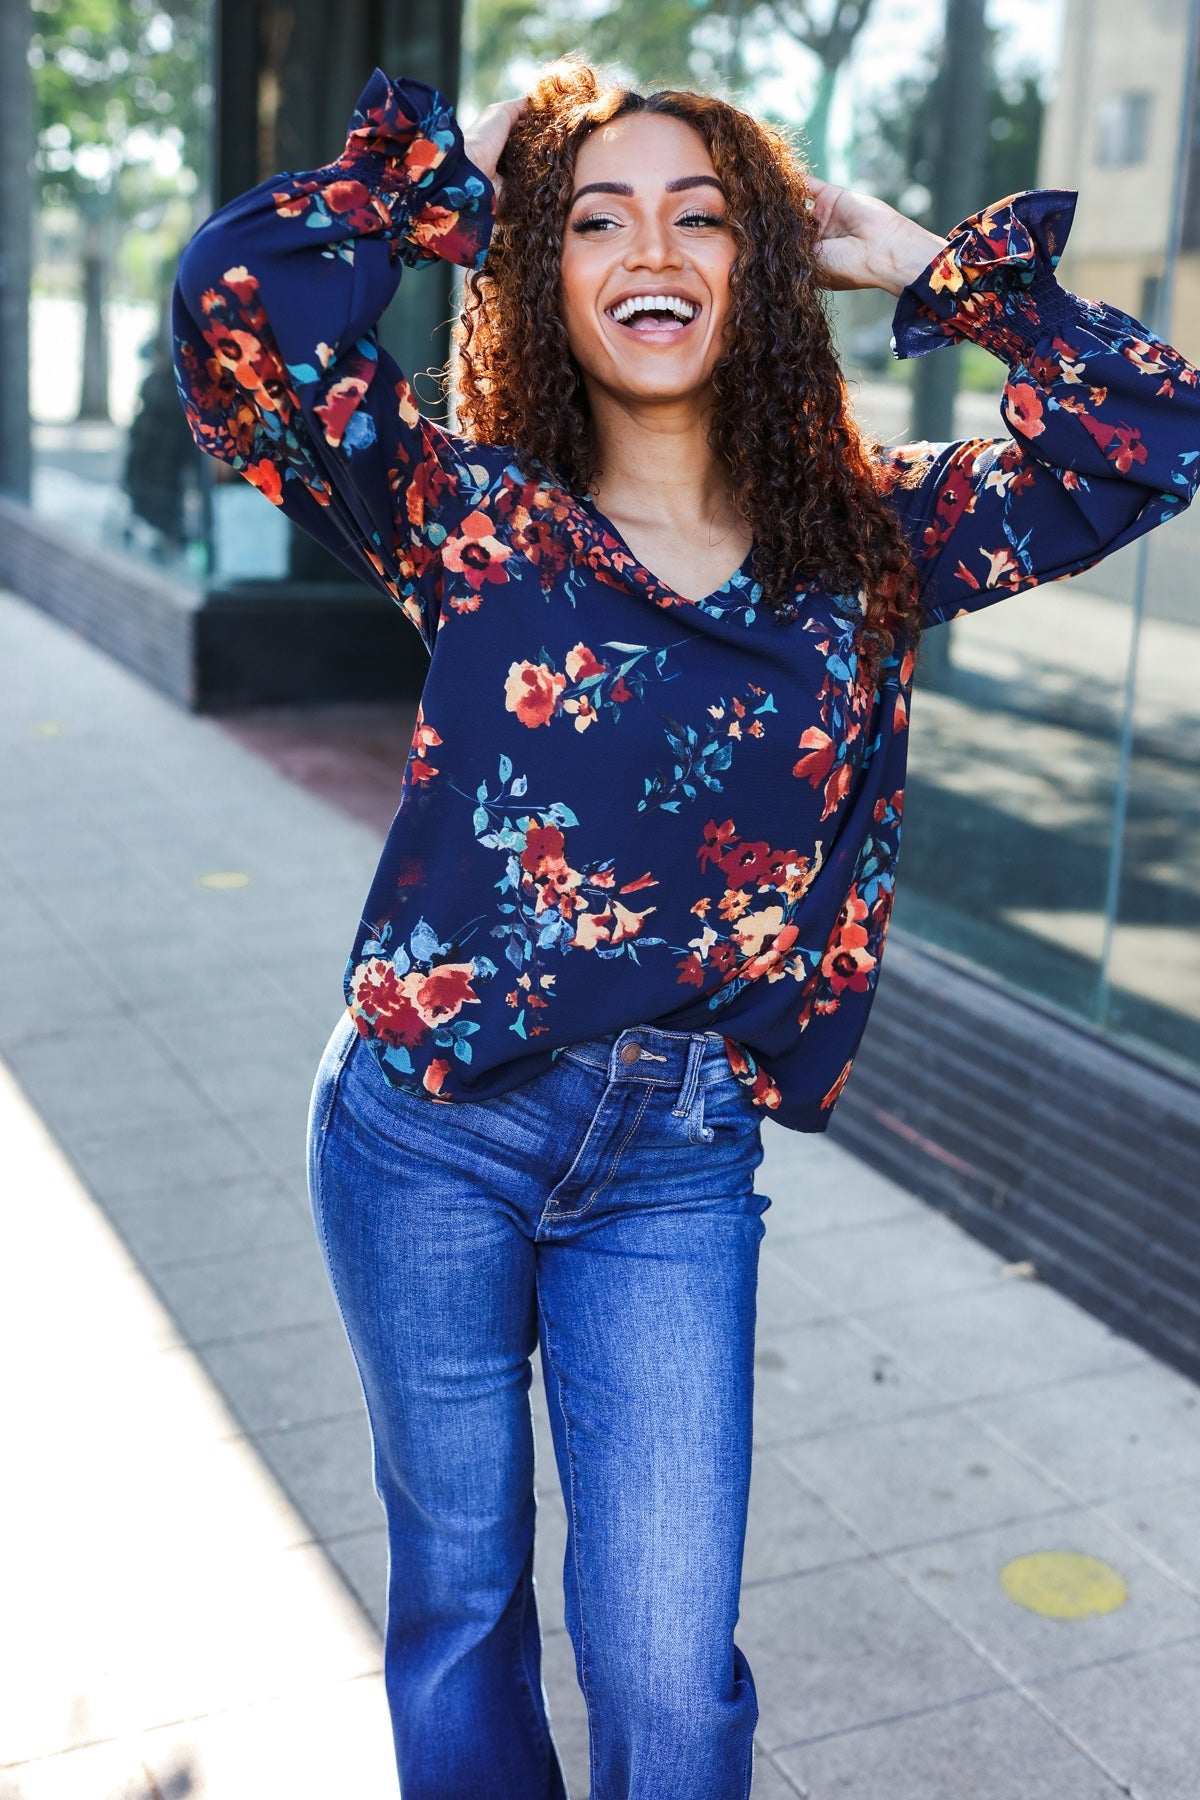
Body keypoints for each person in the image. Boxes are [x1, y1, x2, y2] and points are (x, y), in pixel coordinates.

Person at [172, 56, 1199, 1800]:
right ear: (538, 270)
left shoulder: (876, 540)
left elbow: (1150, 432)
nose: (651, 245)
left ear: (762, 272)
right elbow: (233, 316)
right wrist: (466, 163)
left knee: (666, 1676)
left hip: (676, 1154)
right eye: (595, 217)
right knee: (463, 1598)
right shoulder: (474, 514)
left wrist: (927, 264)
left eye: (704, 215)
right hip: (427, 1130)